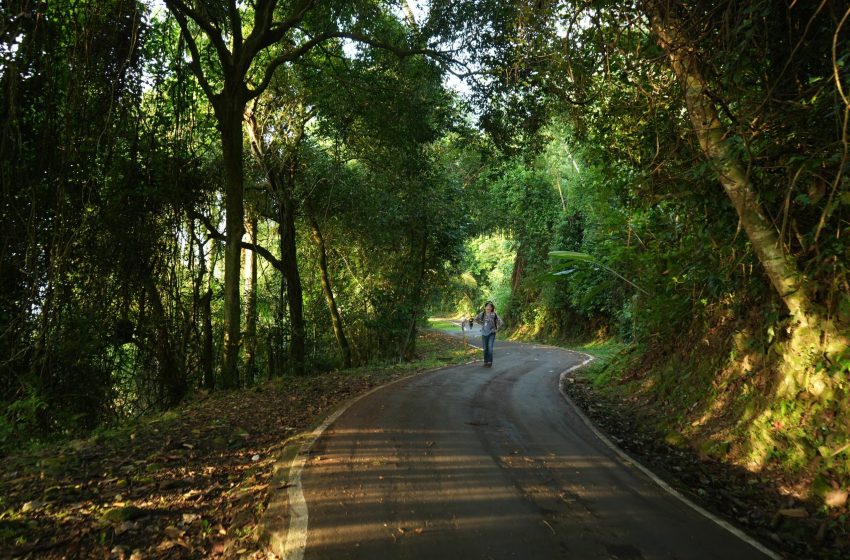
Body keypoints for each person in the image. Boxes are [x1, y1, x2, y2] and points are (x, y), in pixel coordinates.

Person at [474, 301, 504, 367]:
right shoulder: (482, 314)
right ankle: (485, 361)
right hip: (484, 333)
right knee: (485, 348)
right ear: (485, 307)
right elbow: (475, 319)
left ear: (491, 308)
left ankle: (489, 362)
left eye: (489, 306)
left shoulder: (494, 315)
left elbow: (501, 323)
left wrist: (496, 329)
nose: (488, 307)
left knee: (490, 347)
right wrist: (481, 323)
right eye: (487, 306)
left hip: (491, 333)